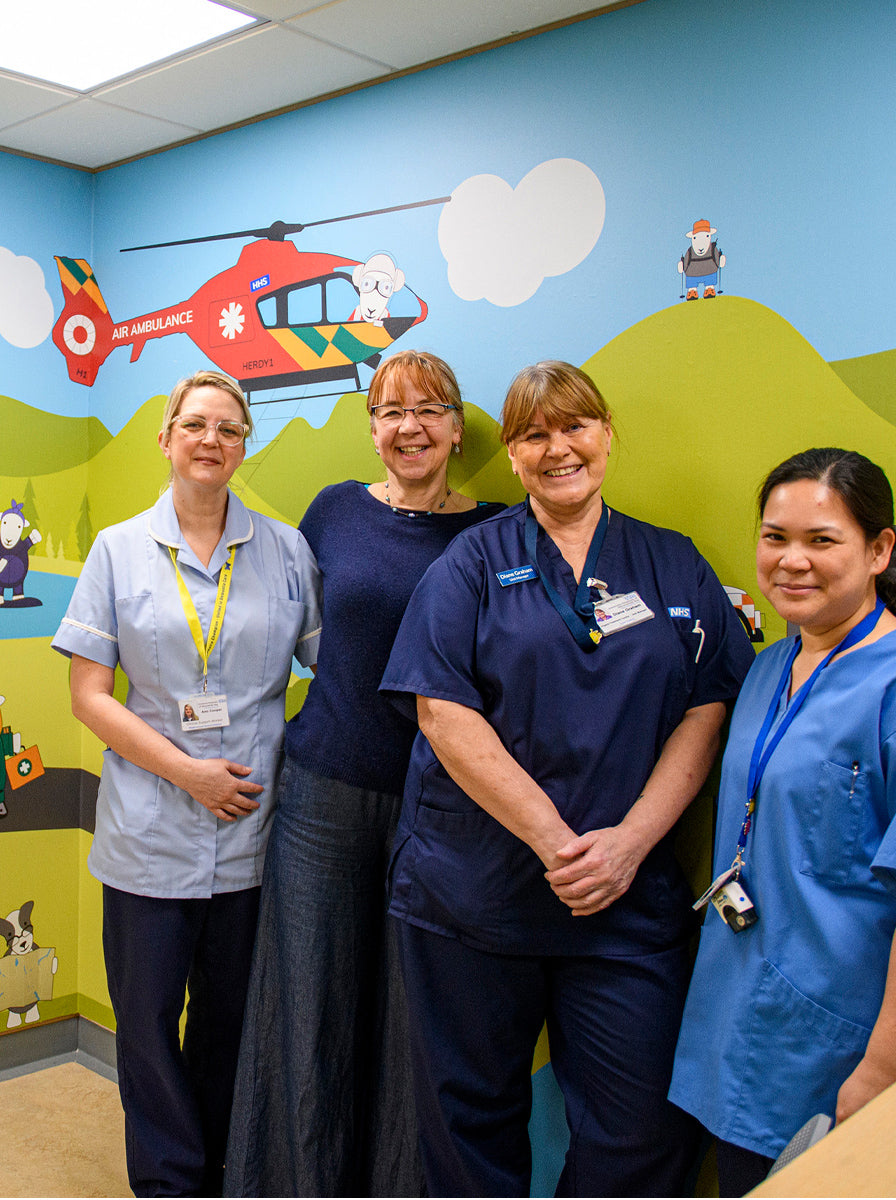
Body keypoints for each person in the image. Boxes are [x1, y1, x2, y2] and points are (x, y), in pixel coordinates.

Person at [379, 360, 756, 1197]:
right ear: (512, 455)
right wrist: (559, 845)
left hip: (624, 900)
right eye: (534, 434)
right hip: (475, 892)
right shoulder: (471, 563)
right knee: (468, 1121)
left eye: (575, 426)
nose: (559, 449)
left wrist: (626, 847)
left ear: (607, 433)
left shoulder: (671, 563)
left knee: (644, 1131)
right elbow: (441, 712)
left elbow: (710, 705)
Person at [225, 351, 497, 1196]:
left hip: (440, 804)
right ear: (371, 426)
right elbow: (271, 629)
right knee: (307, 1007)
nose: (408, 427)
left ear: (457, 428)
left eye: (428, 410)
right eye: (389, 411)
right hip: (324, 789)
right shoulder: (334, 514)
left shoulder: (493, 536)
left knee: (414, 1019)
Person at [51, 369, 321, 1197]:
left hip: (253, 833)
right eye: (196, 424)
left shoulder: (287, 550)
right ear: (167, 437)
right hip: (148, 836)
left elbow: (332, 669)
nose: (212, 440)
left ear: (246, 446)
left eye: (229, 429)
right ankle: (170, 1185)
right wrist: (188, 774)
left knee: (230, 1023)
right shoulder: (118, 550)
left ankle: (228, 1170)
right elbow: (88, 697)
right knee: (147, 1027)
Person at [669, 448, 896, 1196]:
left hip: (848, 1046)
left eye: (822, 540)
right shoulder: (768, 667)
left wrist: (883, 1071)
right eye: (775, 538)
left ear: (879, 550)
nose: (792, 561)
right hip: (741, 1025)